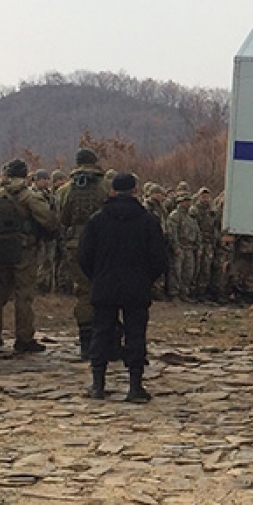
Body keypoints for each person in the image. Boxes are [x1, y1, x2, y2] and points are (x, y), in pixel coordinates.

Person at [76, 171, 166, 402]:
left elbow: (84, 255)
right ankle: (135, 386)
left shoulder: (97, 220)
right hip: (136, 287)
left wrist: (97, 276)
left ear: (112, 191)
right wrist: (147, 279)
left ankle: (98, 385)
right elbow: (160, 258)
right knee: (136, 334)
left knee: (101, 332)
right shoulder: (147, 221)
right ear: (135, 191)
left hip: (104, 285)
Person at [0, 158, 58, 353]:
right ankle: (24, 339)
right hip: (24, 251)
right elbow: (49, 220)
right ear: (25, 175)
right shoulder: (29, 196)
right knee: (23, 296)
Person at [56, 147, 109, 358]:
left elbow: (63, 219)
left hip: (76, 244)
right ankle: (105, 339)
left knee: (84, 291)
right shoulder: (106, 185)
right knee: (105, 290)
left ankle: (86, 344)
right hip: (104, 244)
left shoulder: (66, 190)